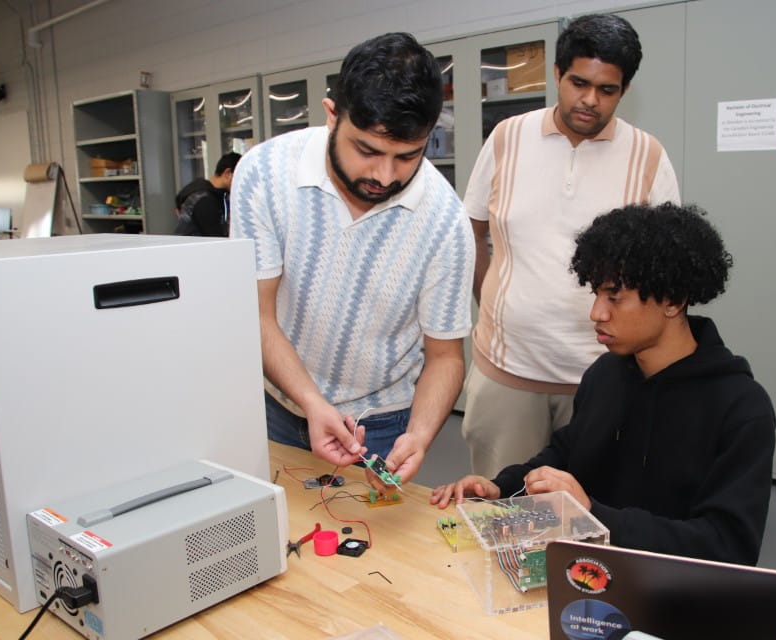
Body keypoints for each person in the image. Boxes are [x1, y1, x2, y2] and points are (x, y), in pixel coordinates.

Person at [433, 203, 775, 566]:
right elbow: (565, 454)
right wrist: (502, 487)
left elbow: (727, 547)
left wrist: (592, 514)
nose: (596, 313)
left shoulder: (741, 408)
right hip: (588, 572)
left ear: (673, 300)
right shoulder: (605, 374)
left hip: (670, 596)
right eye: (595, 294)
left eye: (614, 297)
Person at [230, 33, 474, 483]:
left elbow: (445, 357)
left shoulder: (444, 220)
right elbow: (256, 314)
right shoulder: (264, 174)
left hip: (381, 422)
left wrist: (419, 434)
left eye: (408, 156)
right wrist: (311, 401)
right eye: (367, 150)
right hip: (278, 405)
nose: (385, 176)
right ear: (331, 115)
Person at [462, 13, 681, 478]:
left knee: (585, 521)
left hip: (605, 377)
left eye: (607, 90)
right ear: (557, 74)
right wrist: (493, 301)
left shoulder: (648, 155)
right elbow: (472, 230)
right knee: (501, 512)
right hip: (507, 371)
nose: (589, 100)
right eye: (579, 82)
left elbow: (667, 267)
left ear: (624, 91)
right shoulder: (507, 137)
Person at [174, 151, 241, 237]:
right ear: (227, 173)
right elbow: (216, 238)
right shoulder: (205, 200)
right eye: (240, 177)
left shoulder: (211, 194)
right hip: (196, 249)